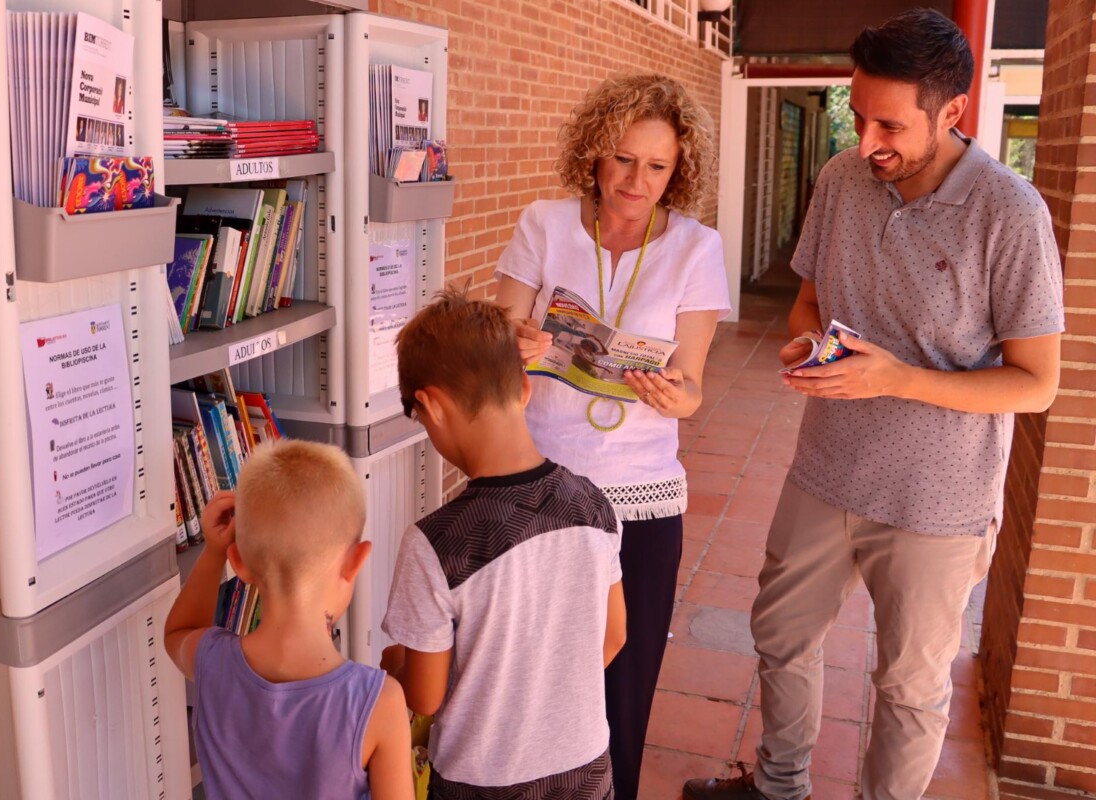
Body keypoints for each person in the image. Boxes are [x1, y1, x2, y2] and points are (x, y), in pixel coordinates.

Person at [683, 10, 1064, 800]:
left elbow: (1036, 383)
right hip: (824, 470)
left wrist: (897, 379)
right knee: (781, 636)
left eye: (890, 123)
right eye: (857, 115)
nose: (866, 140)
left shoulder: (1012, 214)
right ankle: (779, 787)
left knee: (907, 689)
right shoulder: (841, 178)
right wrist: (802, 345)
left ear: (952, 111)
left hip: (938, 502)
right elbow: (809, 307)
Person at [494, 73, 731, 799]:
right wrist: (519, 341)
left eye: (657, 166)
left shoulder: (697, 247)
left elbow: (691, 387)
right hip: (540, 481)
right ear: (594, 154)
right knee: (531, 673)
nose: (637, 180)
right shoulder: (544, 222)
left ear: (679, 171)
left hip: (641, 495)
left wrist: (672, 393)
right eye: (623, 159)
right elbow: (497, 335)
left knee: (623, 687)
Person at [381, 287, 627, 799]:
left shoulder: (437, 544)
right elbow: (611, 639)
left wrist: (396, 665)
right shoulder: (594, 505)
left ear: (430, 406)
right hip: (585, 768)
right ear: (524, 388)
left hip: (483, 781)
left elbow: (425, 696)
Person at [163, 440, 413, 800]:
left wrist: (213, 551)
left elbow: (178, 632)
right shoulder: (378, 703)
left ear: (240, 563)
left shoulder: (212, 661)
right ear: (355, 561)